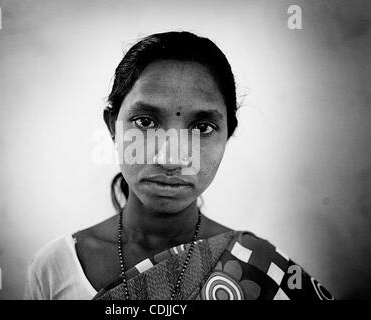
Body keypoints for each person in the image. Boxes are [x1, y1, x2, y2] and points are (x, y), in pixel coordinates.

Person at [24, 31, 334, 300]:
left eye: (201, 127)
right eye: (145, 122)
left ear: (228, 134)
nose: (171, 158)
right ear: (112, 126)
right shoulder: (56, 266)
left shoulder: (260, 268)